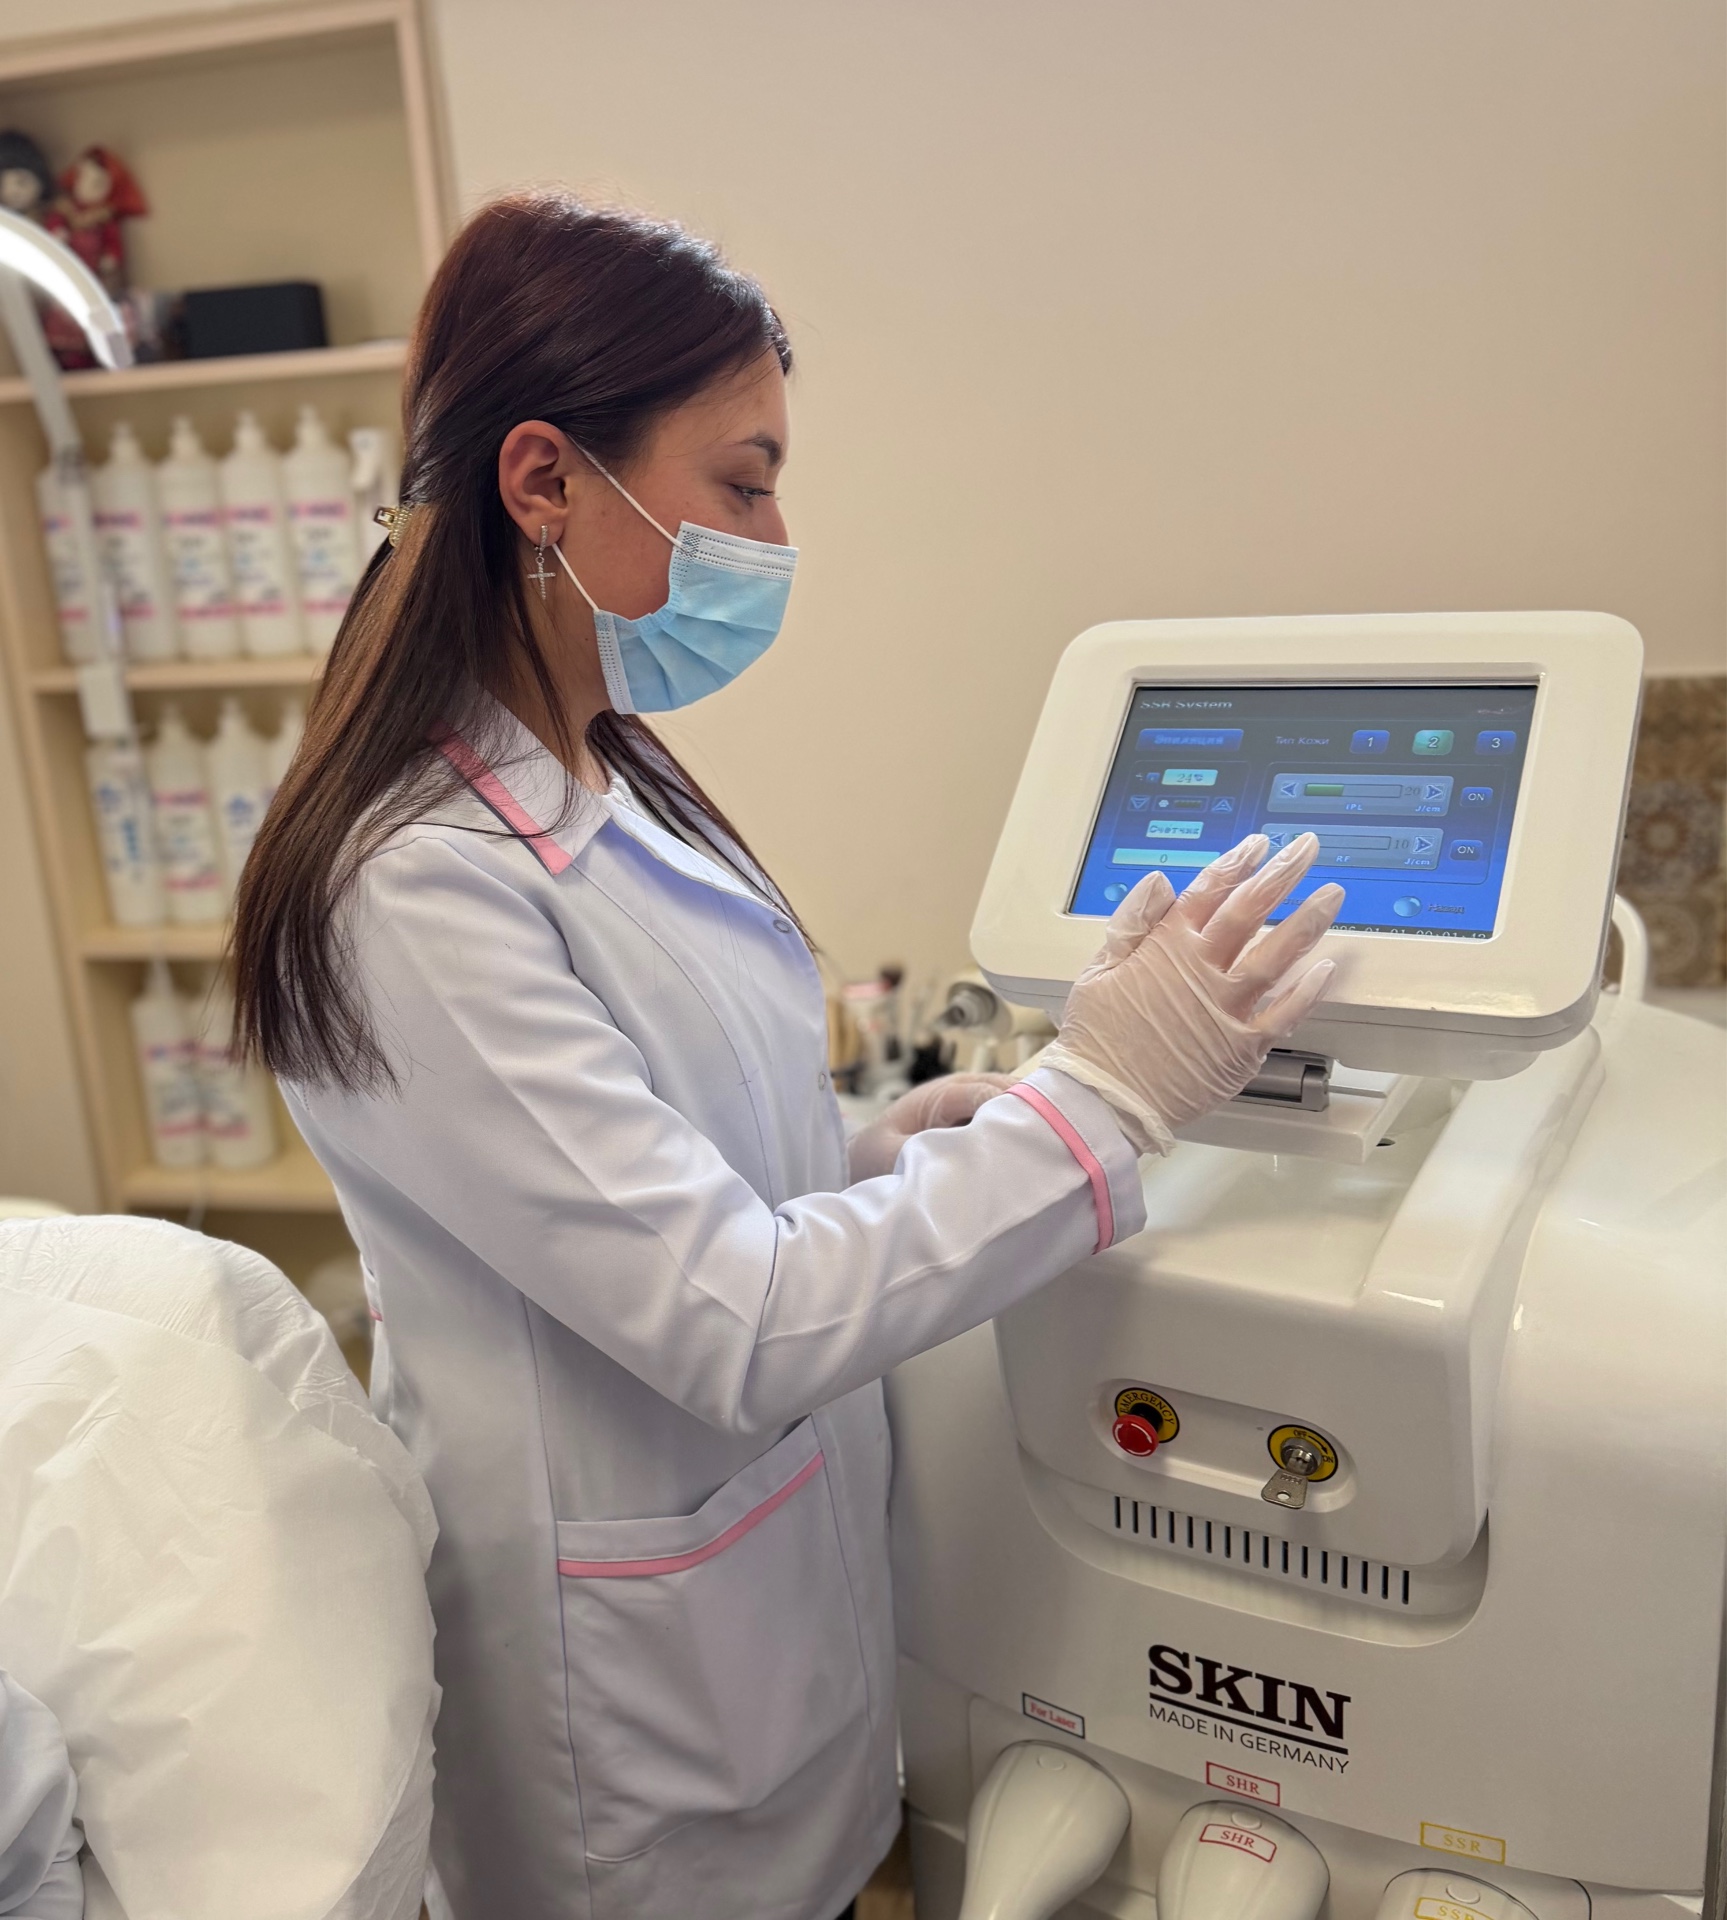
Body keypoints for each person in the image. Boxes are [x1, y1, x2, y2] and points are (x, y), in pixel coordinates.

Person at [232, 191, 1342, 1920]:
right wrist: (1105, 1097)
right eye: (743, 484)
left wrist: (882, 1139)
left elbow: (662, 1150)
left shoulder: (607, 771)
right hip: (622, 1738)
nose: (774, 536)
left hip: (772, 1630)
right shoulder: (411, 885)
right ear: (544, 481)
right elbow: (730, 1318)